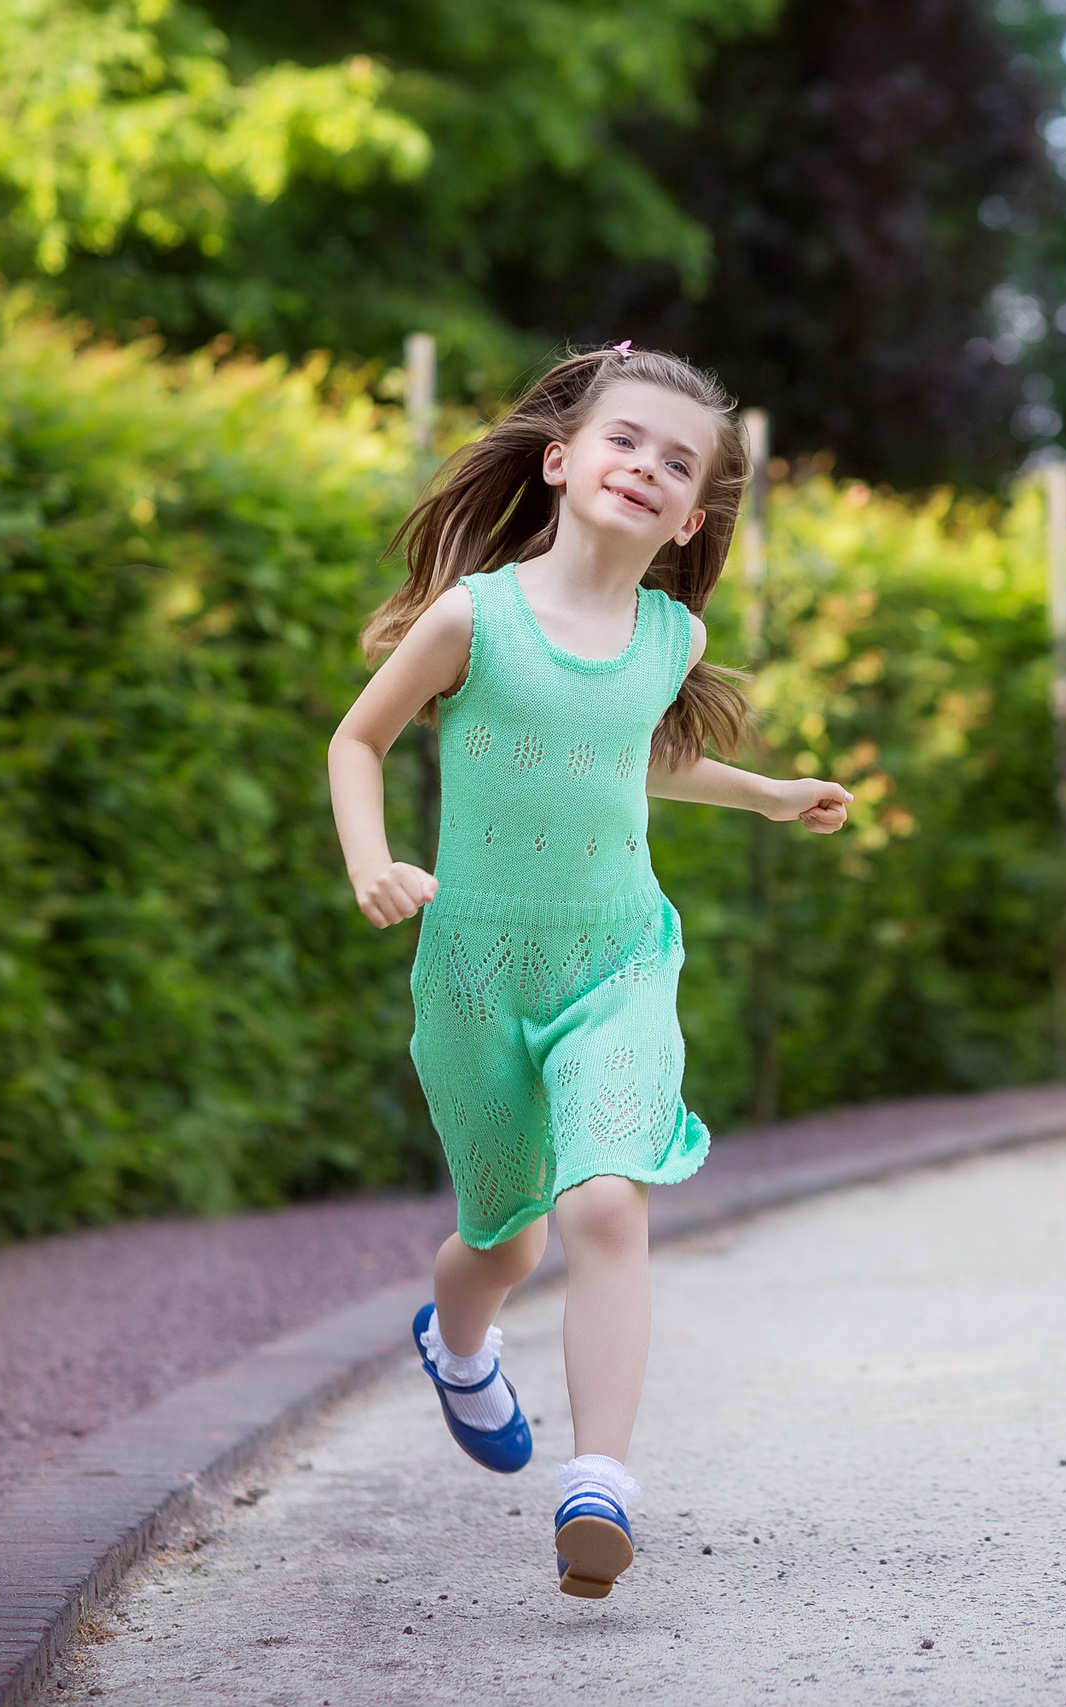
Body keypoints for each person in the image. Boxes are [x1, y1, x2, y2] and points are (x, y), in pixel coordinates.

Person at [327, 344, 851, 1599]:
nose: (648, 469)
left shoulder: (671, 633)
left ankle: (599, 1481)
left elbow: (634, 756)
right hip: (474, 976)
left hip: (617, 960)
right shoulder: (476, 618)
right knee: (500, 1242)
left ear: (689, 519)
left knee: (607, 1200)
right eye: (628, 442)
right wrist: (373, 860)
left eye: (680, 465)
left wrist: (767, 793)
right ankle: (457, 1347)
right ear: (561, 461)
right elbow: (359, 736)